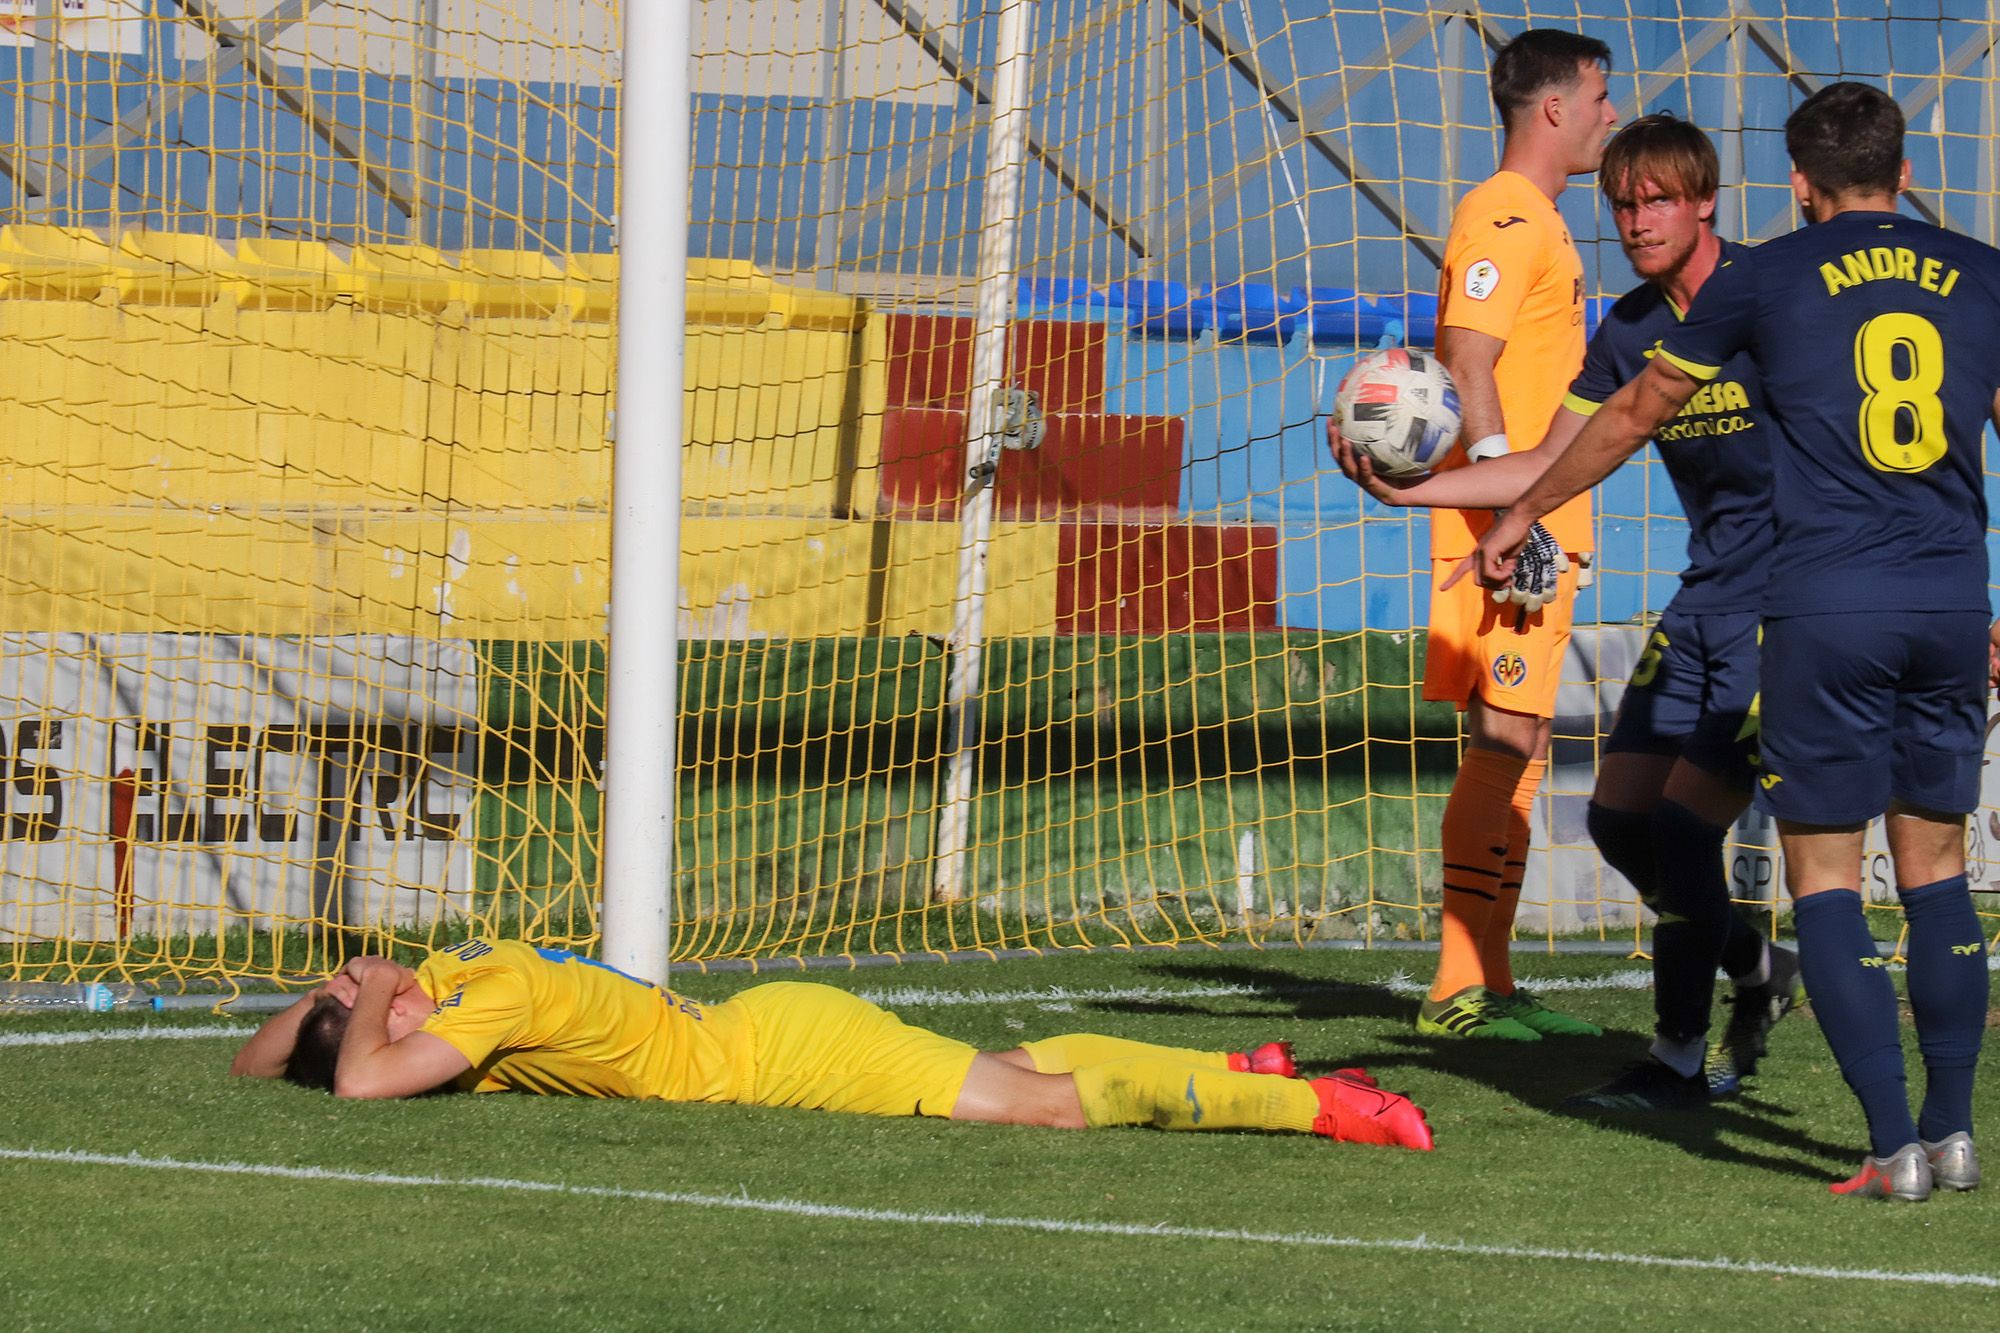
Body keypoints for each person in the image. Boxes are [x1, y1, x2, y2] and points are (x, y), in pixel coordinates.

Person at [1460, 82, 1994, 1199]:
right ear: (1901, 170)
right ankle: (1951, 1137)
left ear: (1794, 185)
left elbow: (1624, 417)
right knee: (1938, 873)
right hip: (1949, 600)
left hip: (1818, 607)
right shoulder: (1983, 273)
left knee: (1828, 881)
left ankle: (1888, 1144)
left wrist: (1513, 513)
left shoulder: (1765, 278)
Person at [1335, 115, 1803, 1109]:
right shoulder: (1630, 330)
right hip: (1707, 597)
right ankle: (1757, 964)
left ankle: (1679, 1059)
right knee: (1617, 820)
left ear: (1705, 198)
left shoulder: (1775, 292)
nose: (1635, 220)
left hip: (1798, 602)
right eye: (1623, 204)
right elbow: (1551, 458)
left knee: (1687, 829)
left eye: (1657, 200)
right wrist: (1408, 492)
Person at [231, 937, 1435, 1150]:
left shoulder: (476, 1002)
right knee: (1018, 1073)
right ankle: (1234, 1070)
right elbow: (262, 1060)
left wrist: (366, 993)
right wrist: (357, 988)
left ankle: (1317, 1106)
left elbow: (359, 1090)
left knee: (1041, 1107)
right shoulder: (449, 978)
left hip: (780, 1058)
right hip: (771, 1022)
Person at [1388, 28, 1619, 1041]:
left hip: (1531, 519)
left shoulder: (1542, 219)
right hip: (1504, 526)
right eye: (1600, 96)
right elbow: (1466, 356)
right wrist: (1500, 509)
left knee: (1519, 745)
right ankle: (1453, 985)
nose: (1612, 115)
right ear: (1555, 108)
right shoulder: (1505, 211)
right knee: (1499, 743)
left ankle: (1491, 975)